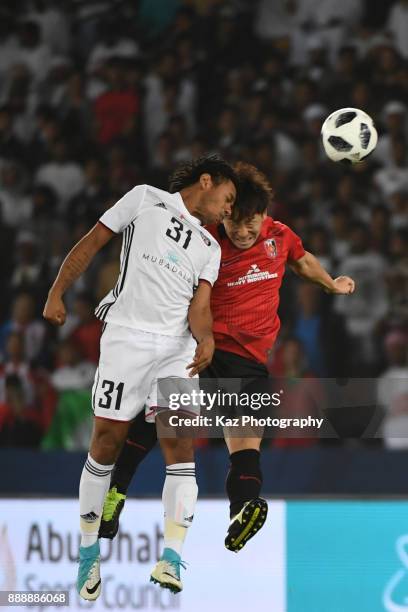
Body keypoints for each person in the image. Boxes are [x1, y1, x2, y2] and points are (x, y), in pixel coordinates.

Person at [98, 161, 356, 552]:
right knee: (159, 422)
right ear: (225, 213)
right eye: (234, 221)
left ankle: (242, 511)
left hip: (248, 360)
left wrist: (331, 285)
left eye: (250, 223)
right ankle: (115, 493)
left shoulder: (280, 237)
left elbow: (302, 261)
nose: (242, 231)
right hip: (200, 346)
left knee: (247, 446)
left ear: (265, 216)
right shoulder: (206, 242)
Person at [43, 154, 237, 598]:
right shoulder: (144, 199)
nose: (229, 210)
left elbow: (200, 305)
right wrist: (57, 291)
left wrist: (205, 338)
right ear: (205, 182)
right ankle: (89, 553)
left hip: (176, 349)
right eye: (227, 199)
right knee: (106, 443)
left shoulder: (211, 248)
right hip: (127, 338)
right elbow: (92, 242)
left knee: (178, 440)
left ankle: (171, 557)